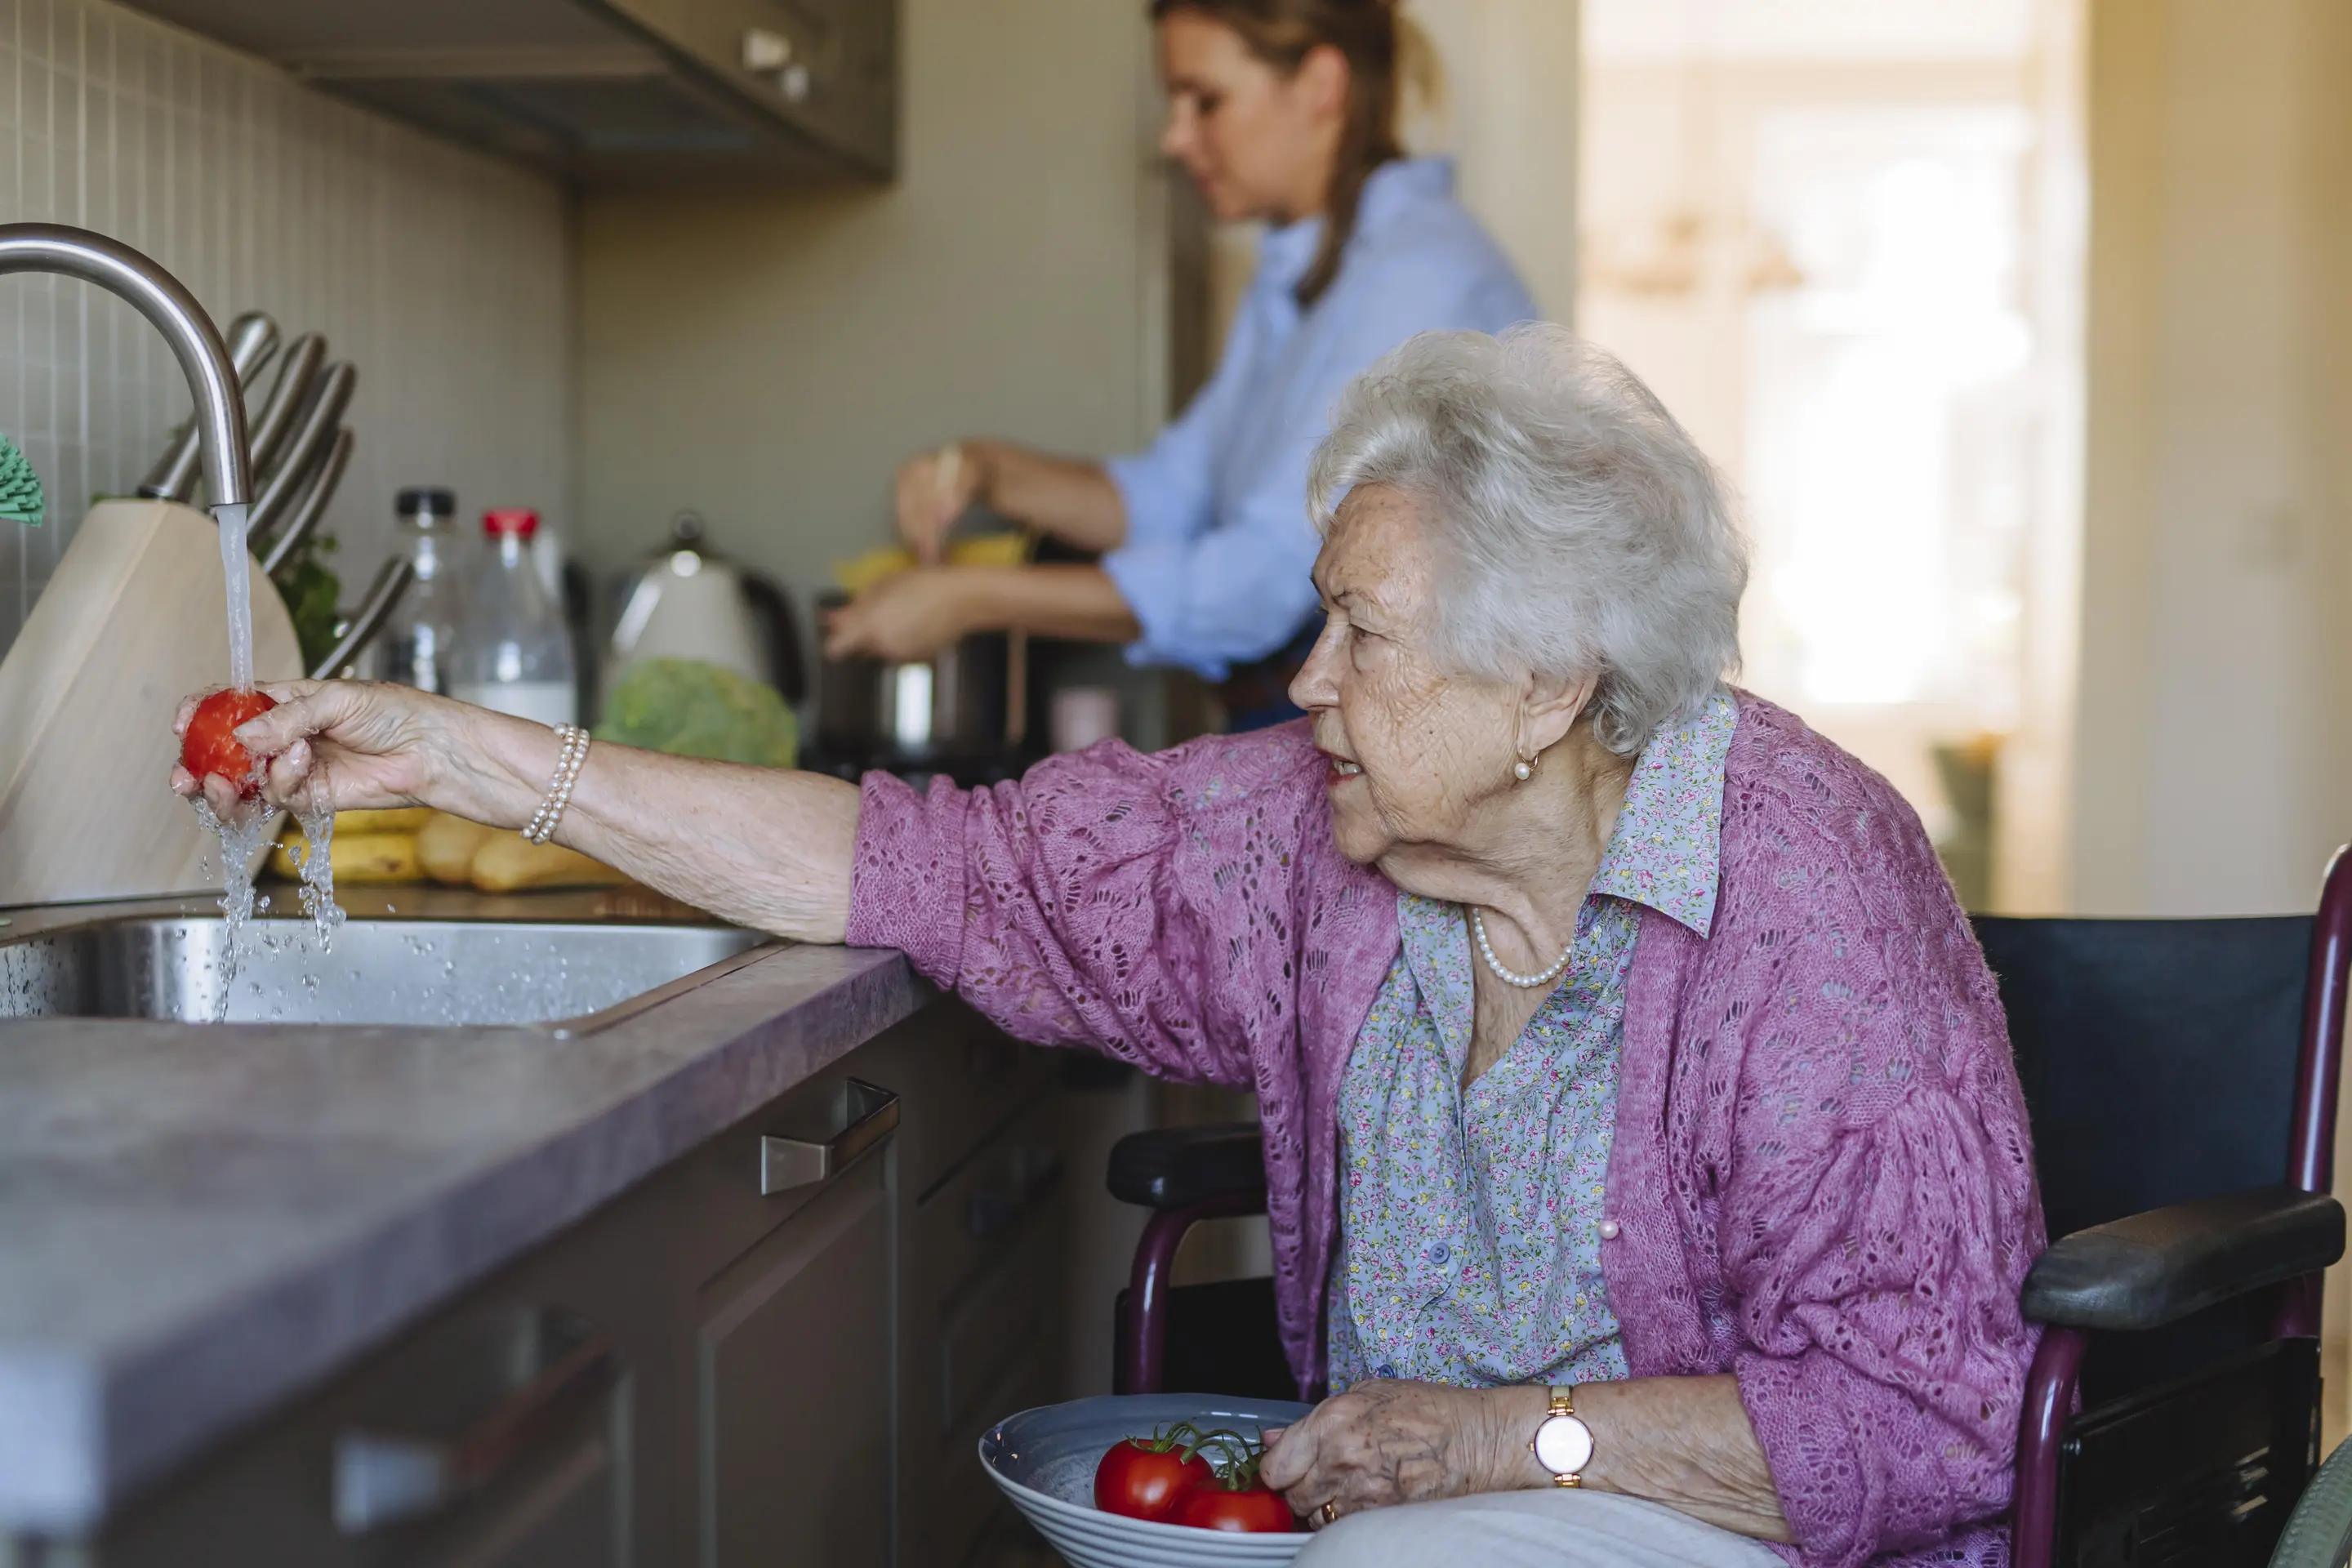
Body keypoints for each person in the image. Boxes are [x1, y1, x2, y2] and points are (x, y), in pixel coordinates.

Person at [190, 325, 2045, 1567]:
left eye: (1360, 637)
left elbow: (1931, 1417)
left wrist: (1505, 1444)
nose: (1305, 686)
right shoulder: (1313, 842)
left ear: (1547, 684)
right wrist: (474, 756)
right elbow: (932, 865)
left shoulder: (1798, 893)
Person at [823, 0, 1535, 731]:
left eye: (1205, 100)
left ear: (1321, 84)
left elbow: (1261, 580)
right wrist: (988, 471)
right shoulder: (1306, 276)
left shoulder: (1417, 276)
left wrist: (972, 597)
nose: (1173, 137)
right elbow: (1174, 492)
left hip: (1400, 742)